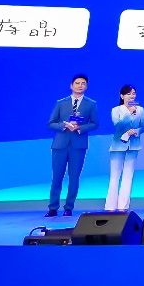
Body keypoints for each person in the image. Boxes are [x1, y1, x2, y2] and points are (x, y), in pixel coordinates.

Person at [47, 74, 98, 217]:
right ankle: (53, 208)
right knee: (57, 176)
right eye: (77, 83)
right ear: (71, 85)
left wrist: (80, 128)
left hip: (78, 145)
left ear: (86, 86)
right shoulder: (61, 103)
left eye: (83, 83)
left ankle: (69, 207)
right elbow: (50, 123)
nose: (80, 85)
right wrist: (64, 125)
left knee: (74, 177)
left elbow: (95, 123)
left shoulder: (91, 104)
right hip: (60, 145)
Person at [106, 85, 144, 211]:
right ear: (122, 96)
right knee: (115, 176)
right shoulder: (116, 110)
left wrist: (137, 131)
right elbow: (118, 125)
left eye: (133, 93)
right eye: (128, 94)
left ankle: (123, 206)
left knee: (128, 176)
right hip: (118, 146)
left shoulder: (140, 109)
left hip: (133, 145)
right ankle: (110, 206)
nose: (131, 96)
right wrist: (129, 113)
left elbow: (143, 125)